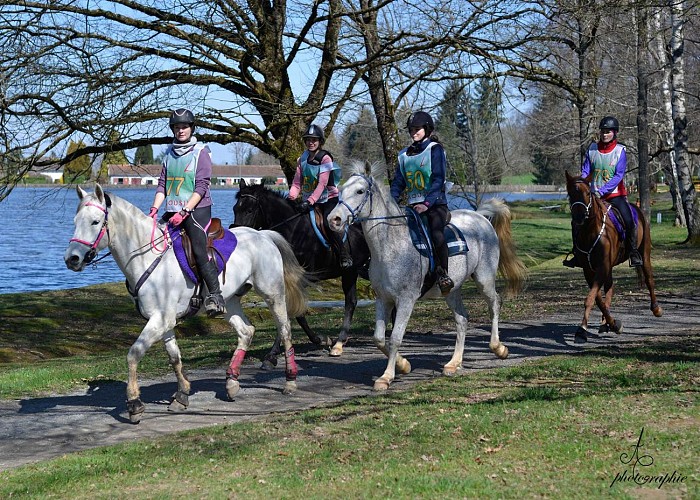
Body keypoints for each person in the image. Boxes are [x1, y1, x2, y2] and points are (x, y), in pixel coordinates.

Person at [148, 108, 226, 316]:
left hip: (197, 209)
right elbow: (162, 186)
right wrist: (154, 209)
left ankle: (215, 296)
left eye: (184, 126)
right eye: (177, 127)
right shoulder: (168, 154)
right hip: (172, 209)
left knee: (199, 250)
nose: (181, 130)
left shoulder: (201, 152)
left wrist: (184, 212)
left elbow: (201, 187)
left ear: (192, 128)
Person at [563, 115, 643, 268]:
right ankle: (577, 253)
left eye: (608, 131)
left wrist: (602, 190)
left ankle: (633, 252)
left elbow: (619, 175)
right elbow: (586, 170)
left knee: (629, 220)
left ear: (615, 133)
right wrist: (582, 183)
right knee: (576, 221)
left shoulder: (620, 151)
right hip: (593, 196)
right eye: (603, 131)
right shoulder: (592, 149)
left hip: (615, 196)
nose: (605, 134)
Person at [390, 111, 454, 295]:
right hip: (412, 207)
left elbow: (438, 179)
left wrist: (426, 203)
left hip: (435, 205)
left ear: (427, 129)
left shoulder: (435, 149)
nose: (413, 132)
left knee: (436, 234)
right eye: (411, 129)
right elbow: (398, 182)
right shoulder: (403, 154)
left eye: (417, 129)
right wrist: (390, 201)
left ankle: (443, 274)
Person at [287, 124, 353, 269]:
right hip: (310, 200)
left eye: (314, 140)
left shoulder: (325, 158)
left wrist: (309, 201)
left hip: (328, 199)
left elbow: (322, 184)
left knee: (328, 222)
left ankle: (343, 254)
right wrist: (290, 198)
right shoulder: (302, 159)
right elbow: (297, 183)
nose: (311, 142)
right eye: (308, 139)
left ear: (320, 142)